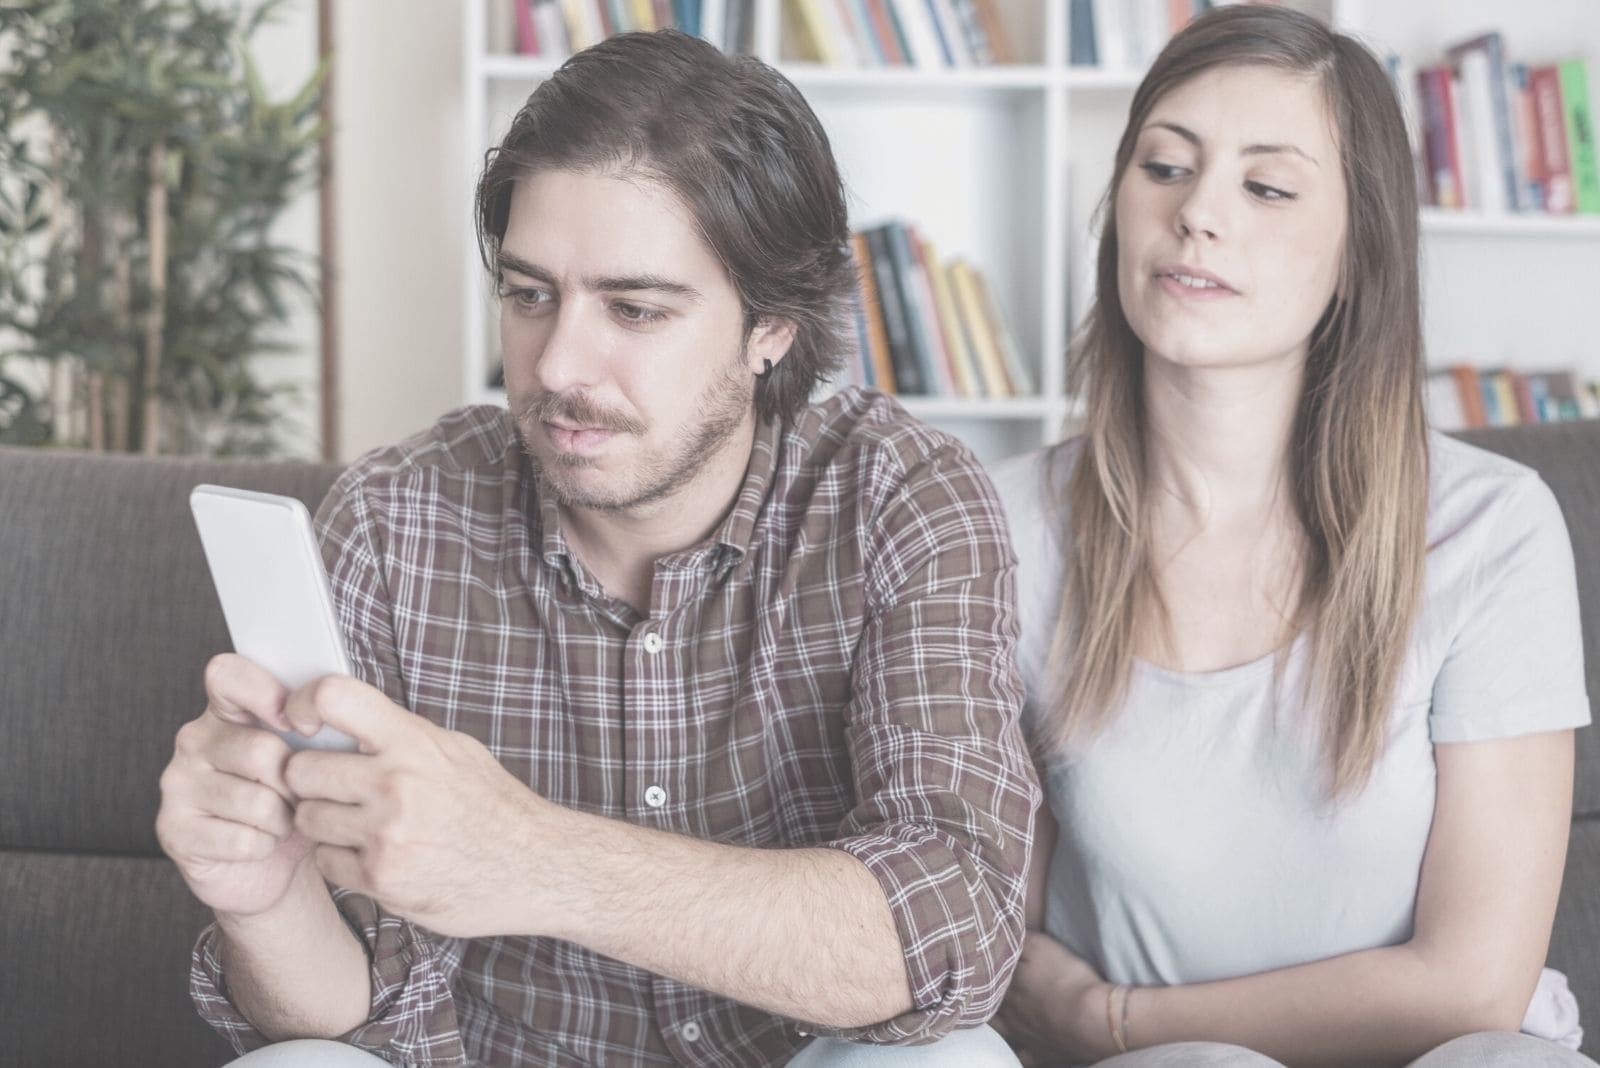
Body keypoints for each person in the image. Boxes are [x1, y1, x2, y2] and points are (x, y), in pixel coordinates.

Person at [154, 30, 1038, 1067]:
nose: (558, 364)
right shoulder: (397, 521)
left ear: (772, 329)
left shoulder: (900, 499)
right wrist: (263, 902)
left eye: (634, 307)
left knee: (948, 1058)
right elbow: (356, 1006)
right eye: (530, 296)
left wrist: (530, 856)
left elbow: (957, 926)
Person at [988, 7, 1594, 1067]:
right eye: (1164, 167)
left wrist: (1116, 1018)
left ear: (1359, 253)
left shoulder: (1489, 530)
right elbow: (1002, 945)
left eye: (1266, 187)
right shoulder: (1002, 527)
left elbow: (1475, 984)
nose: (1196, 216)